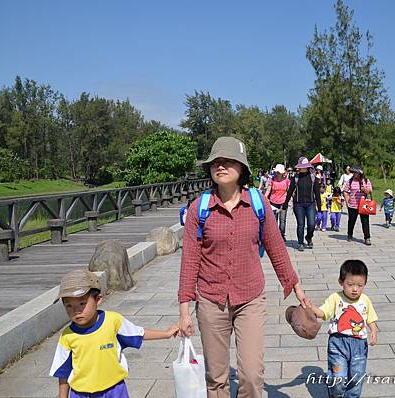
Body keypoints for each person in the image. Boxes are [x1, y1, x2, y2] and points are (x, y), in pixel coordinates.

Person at [178, 137, 310, 397]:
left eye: (228, 161)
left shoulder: (257, 204)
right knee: (216, 378)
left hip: (250, 298)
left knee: (251, 376)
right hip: (210, 299)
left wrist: (296, 288)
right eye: (216, 162)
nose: (221, 166)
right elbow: (190, 261)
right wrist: (184, 310)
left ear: (242, 168)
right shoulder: (199, 208)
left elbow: (276, 248)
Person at [50, 270, 179, 398]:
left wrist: (166, 334)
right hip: (80, 393)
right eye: (69, 306)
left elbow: (138, 333)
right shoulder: (67, 336)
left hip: (115, 390)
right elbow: (63, 371)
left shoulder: (113, 321)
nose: (76, 311)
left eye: (82, 303)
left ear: (98, 299)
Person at [309, 260, 378, 398]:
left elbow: (370, 318)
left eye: (360, 285)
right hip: (338, 344)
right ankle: (336, 394)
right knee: (338, 378)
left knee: (356, 377)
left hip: (359, 346)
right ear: (341, 282)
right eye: (350, 284)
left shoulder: (365, 300)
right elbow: (324, 313)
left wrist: (374, 331)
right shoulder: (335, 298)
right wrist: (313, 308)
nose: (355, 289)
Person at [284, 157, 322, 251]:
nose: (302, 168)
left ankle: (309, 237)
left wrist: (320, 207)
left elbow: (317, 193)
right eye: (301, 167)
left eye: (304, 167)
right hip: (298, 205)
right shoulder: (295, 178)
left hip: (310, 204)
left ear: (308, 167)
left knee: (312, 224)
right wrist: (285, 204)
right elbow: (290, 191)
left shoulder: (313, 178)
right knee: (301, 224)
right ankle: (300, 243)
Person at [343, 166, 373, 245]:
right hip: (352, 205)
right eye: (354, 172)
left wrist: (365, 190)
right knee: (351, 221)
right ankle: (349, 234)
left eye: (356, 172)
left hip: (363, 205)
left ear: (360, 173)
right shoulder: (350, 181)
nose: (354, 174)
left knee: (365, 221)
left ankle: (367, 238)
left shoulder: (366, 180)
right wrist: (347, 201)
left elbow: (370, 191)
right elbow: (345, 191)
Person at [266, 163, 290, 241]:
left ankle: (282, 234)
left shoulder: (286, 181)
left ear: (282, 172)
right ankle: (275, 237)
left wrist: (293, 200)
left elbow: (289, 191)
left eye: (279, 172)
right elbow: (268, 190)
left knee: (282, 221)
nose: (277, 173)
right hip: (273, 202)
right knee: (274, 221)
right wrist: (265, 198)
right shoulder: (272, 180)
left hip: (283, 203)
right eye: (277, 172)